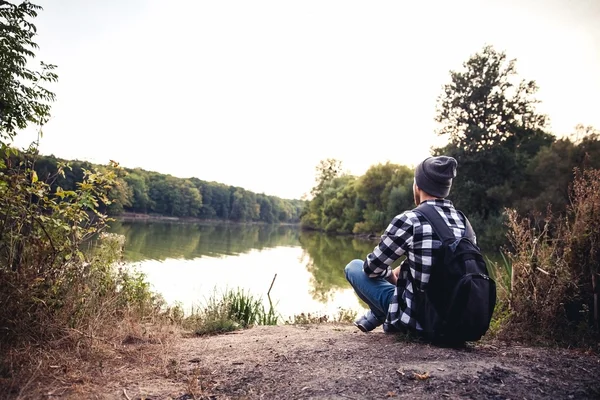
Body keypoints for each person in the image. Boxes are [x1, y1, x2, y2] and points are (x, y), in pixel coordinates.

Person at [345, 155, 475, 333]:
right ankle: (377, 314)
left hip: (419, 320)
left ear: (418, 186)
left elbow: (371, 268)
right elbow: (445, 265)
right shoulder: (463, 222)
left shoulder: (410, 220)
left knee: (354, 267)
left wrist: (391, 276)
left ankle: (379, 313)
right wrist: (404, 268)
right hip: (457, 322)